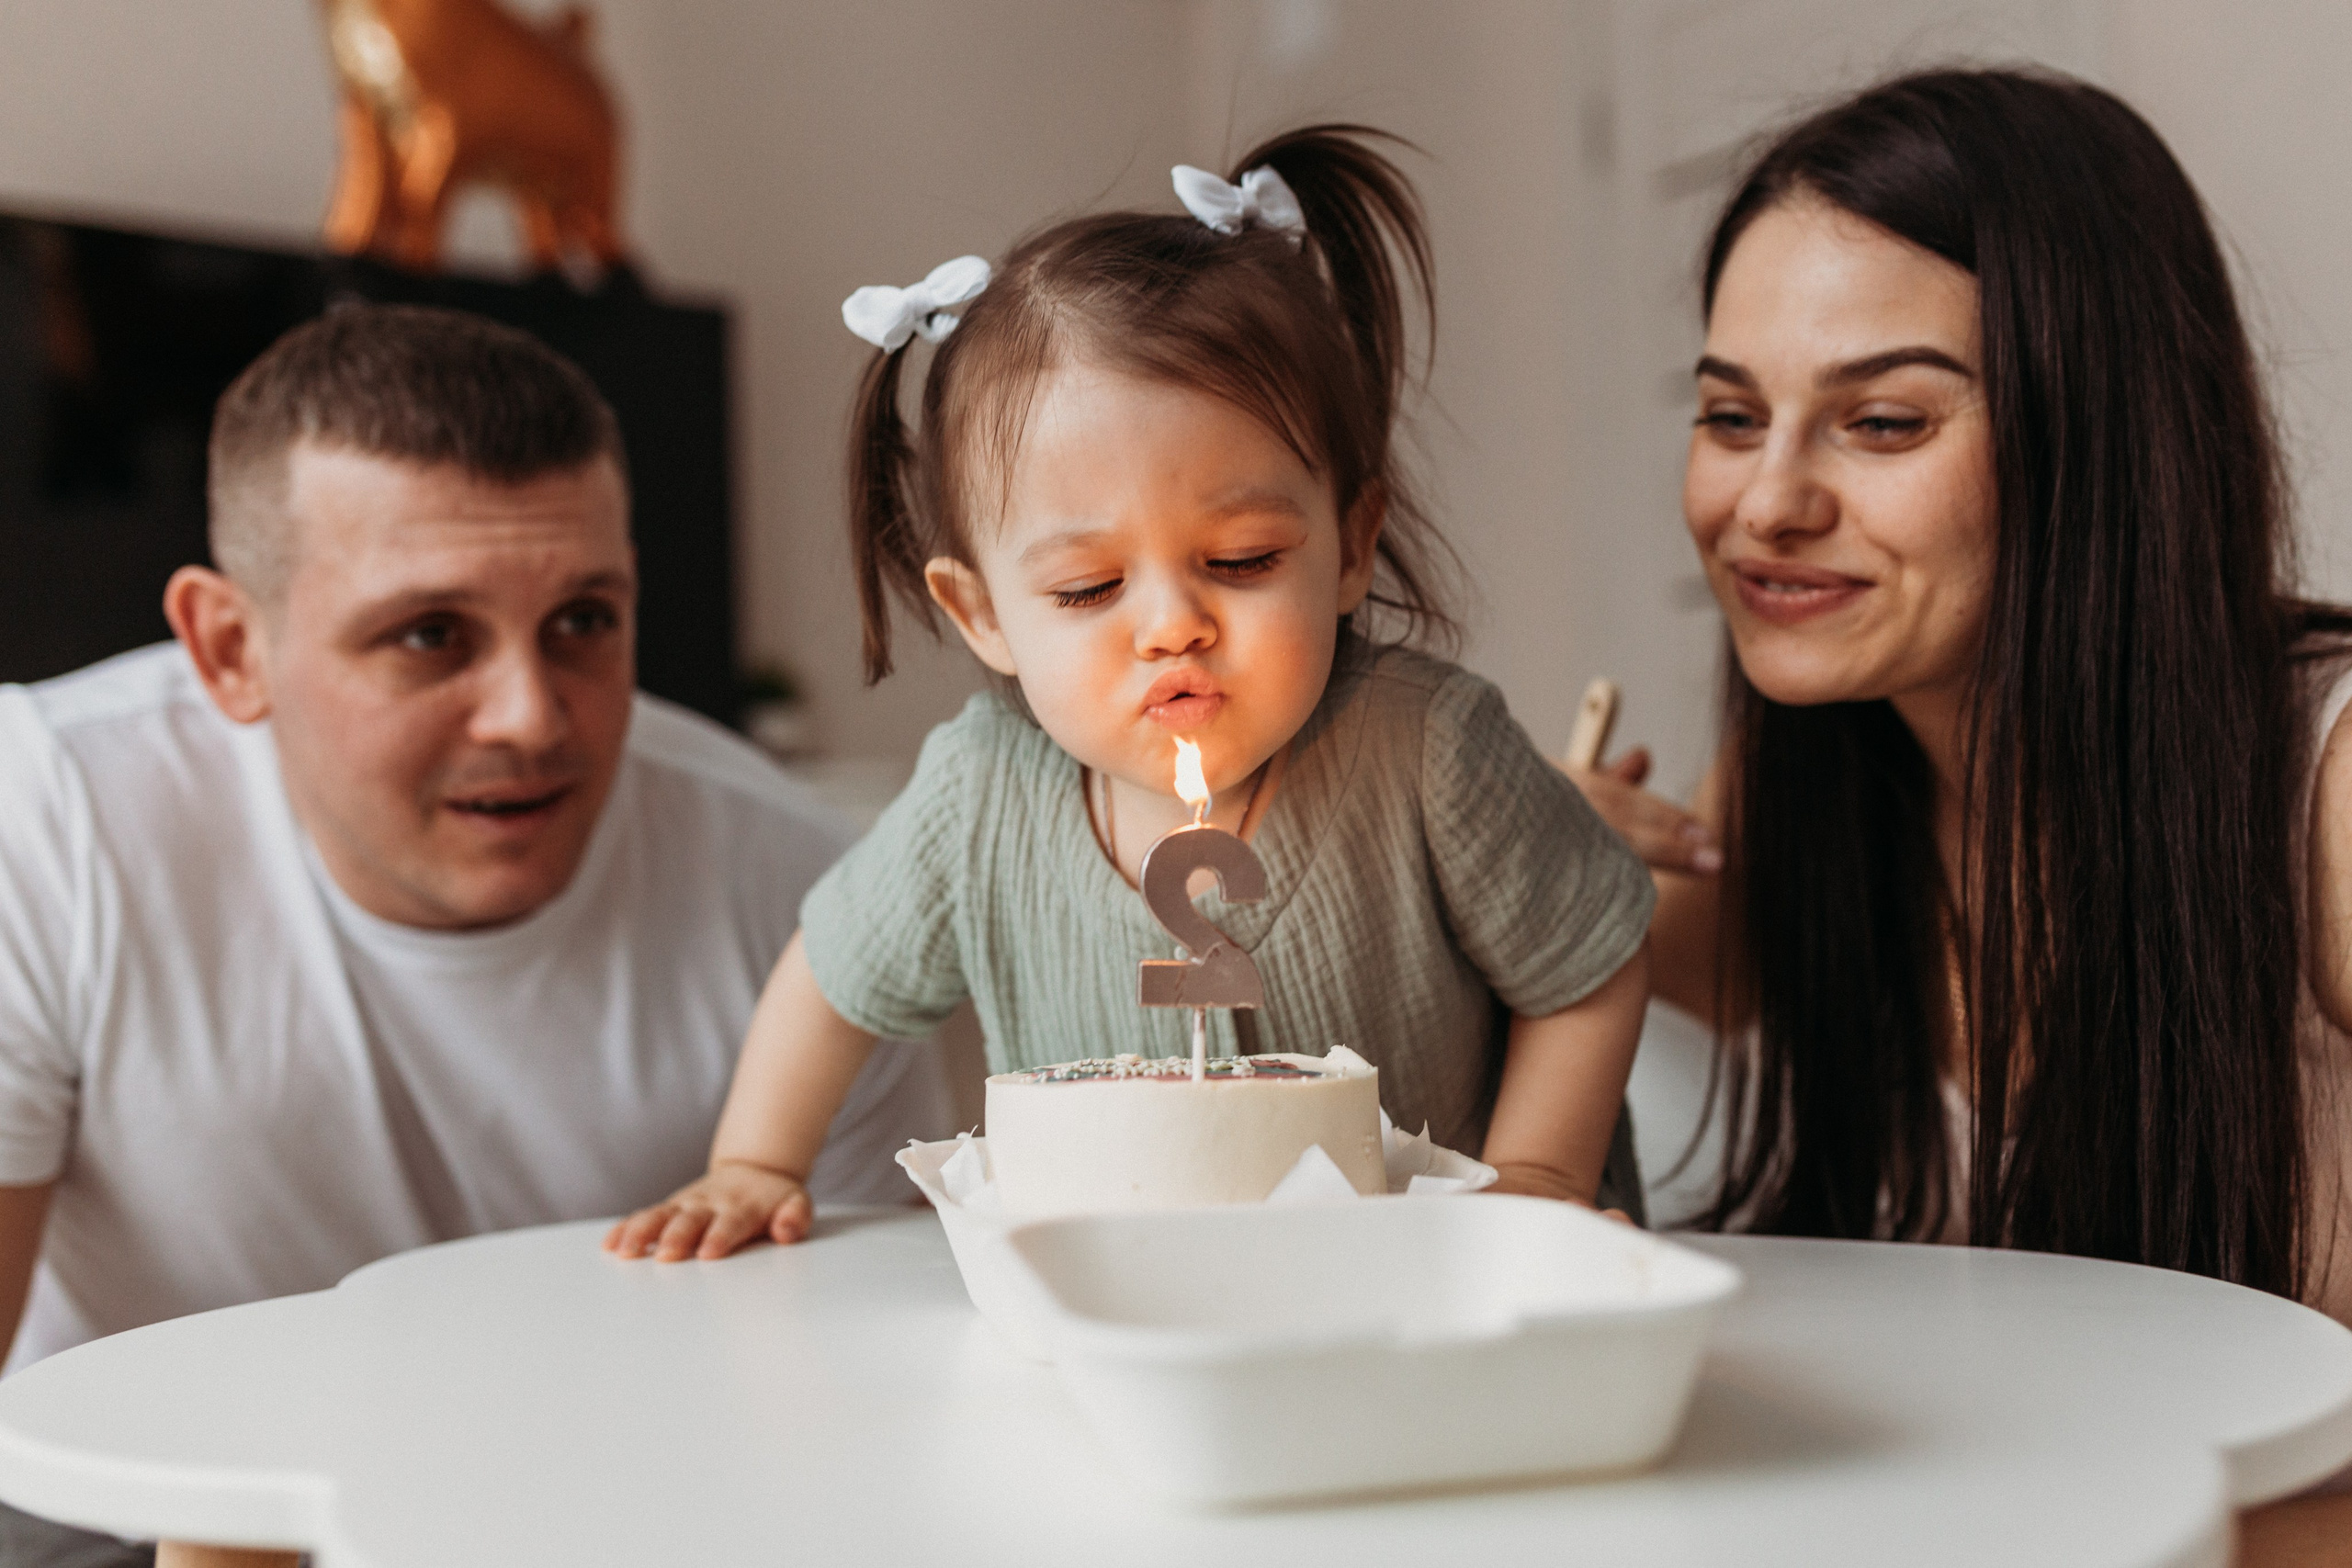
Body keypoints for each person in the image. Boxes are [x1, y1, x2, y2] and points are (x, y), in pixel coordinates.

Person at [0, 303, 948, 1567]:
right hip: (115, 1527)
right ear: (232, 648)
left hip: (618, 1517)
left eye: (585, 619)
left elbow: (869, 1427)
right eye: (430, 633)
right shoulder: (46, 820)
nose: (531, 713)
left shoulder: (816, 899)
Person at [607, 125, 1657, 1264]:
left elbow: (1588, 967)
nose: (1170, 626)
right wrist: (754, 1164)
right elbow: (829, 978)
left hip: (1428, 1303)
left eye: (1244, 560)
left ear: (1350, 548)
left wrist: (1540, 1172)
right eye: (1088, 586)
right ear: (982, 616)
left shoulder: (1428, 748)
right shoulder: (977, 795)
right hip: (1121, 1307)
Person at [1562, 69, 2352, 1559]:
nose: (1765, 502)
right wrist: (1502, 840)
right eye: (1732, 415)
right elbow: (1492, 957)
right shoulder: (1811, 794)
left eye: (1882, 421)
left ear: (2098, 439)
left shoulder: (2325, 792)